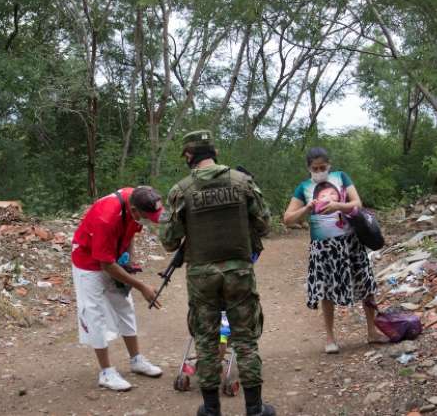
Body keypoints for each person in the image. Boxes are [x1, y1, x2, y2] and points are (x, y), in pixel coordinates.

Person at [160, 130, 275, 416]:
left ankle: (211, 409)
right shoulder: (243, 182)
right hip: (239, 271)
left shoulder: (181, 190)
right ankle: (255, 408)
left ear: (189, 156)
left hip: (202, 276)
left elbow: (169, 241)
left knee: (206, 339)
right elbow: (264, 225)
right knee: (245, 338)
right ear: (214, 152)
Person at [282, 147, 387, 354]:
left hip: (351, 242)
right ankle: (330, 338)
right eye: (315, 168)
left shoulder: (341, 177)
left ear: (329, 165)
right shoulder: (303, 187)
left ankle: (372, 332)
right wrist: (307, 209)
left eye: (323, 167)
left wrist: (339, 205)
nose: (319, 171)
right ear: (308, 168)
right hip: (323, 247)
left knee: (366, 285)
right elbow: (287, 219)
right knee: (326, 291)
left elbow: (357, 203)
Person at [71, 186, 165, 392]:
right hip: (88, 261)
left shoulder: (139, 197)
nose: (149, 220)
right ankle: (106, 372)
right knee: (93, 313)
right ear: (134, 210)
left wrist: (129, 260)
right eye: (148, 217)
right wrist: (140, 286)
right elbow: (105, 265)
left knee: (124, 305)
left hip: (113, 256)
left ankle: (136, 359)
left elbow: (130, 231)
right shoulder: (106, 217)